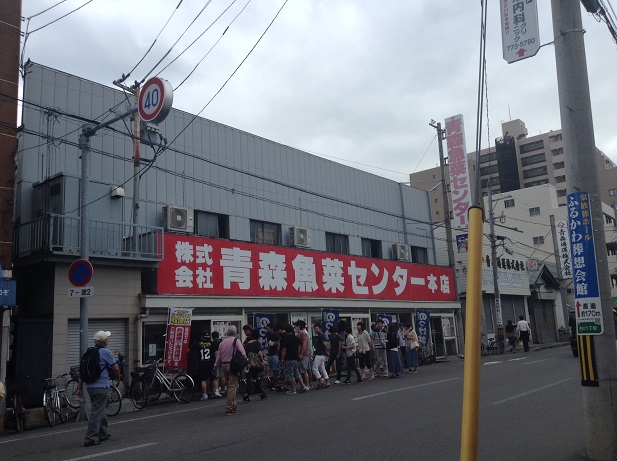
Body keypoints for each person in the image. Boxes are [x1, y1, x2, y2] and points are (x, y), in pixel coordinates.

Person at [77, 330, 121, 447]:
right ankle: (91, 438)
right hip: (101, 387)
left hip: (90, 387)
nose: (108, 339)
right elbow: (115, 368)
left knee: (100, 408)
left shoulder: (90, 352)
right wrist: (118, 378)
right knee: (96, 411)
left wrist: (80, 387)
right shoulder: (105, 352)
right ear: (104, 341)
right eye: (107, 338)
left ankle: (103, 433)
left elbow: (82, 372)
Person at [213, 326, 247, 415]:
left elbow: (218, 356)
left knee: (230, 385)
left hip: (224, 364)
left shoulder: (222, 343)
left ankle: (233, 405)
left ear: (227, 333)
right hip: (233, 365)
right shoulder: (236, 341)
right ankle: (229, 408)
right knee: (233, 386)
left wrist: (215, 366)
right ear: (235, 333)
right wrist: (246, 361)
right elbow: (243, 353)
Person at [243, 329, 268, 402]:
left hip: (249, 363)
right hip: (255, 364)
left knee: (251, 378)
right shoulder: (257, 343)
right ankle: (257, 393)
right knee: (255, 378)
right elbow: (259, 353)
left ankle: (257, 393)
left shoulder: (247, 344)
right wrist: (262, 361)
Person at [279, 324, 301, 394]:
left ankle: (293, 389)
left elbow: (284, 349)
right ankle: (303, 386)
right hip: (295, 357)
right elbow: (299, 347)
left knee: (289, 374)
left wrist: (282, 358)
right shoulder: (296, 338)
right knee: (297, 373)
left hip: (288, 358)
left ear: (286, 330)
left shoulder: (285, 339)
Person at [294, 320, 311, 392]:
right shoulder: (298, 334)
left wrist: (301, 353)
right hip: (300, 354)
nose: (294, 328)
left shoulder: (303, 334)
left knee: (304, 370)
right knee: (301, 370)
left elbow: (304, 344)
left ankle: (307, 385)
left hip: (304, 354)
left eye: (295, 326)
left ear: (298, 326)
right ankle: (304, 384)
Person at [198, 332, 216, 400]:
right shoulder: (212, 343)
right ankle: (215, 391)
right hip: (210, 362)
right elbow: (215, 352)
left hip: (202, 363)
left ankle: (204, 394)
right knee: (213, 378)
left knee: (203, 380)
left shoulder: (199, 344)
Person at [312, 324, 330, 388]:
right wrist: (326, 352)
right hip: (322, 354)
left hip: (319, 354)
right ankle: (327, 381)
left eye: (317, 329)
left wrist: (327, 351)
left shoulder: (321, 336)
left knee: (314, 368)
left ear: (320, 329)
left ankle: (320, 381)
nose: (316, 330)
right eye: (315, 329)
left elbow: (325, 344)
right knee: (322, 368)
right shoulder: (322, 335)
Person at [265, 323, 280, 390]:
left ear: (271, 328)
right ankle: (273, 383)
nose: (267, 329)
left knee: (275, 370)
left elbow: (278, 344)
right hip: (270, 354)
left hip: (274, 354)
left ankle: (276, 383)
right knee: (271, 370)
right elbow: (269, 344)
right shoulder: (268, 335)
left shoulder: (275, 335)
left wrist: (277, 353)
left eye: (268, 328)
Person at [210, 331, 224, 398]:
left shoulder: (213, 343)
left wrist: (216, 362)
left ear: (212, 337)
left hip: (217, 361)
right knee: (222, 376)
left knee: (216, 376)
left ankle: (217, 390)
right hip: (223, 360)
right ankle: (223, 390)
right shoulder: (222, 342)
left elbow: (216, 353)